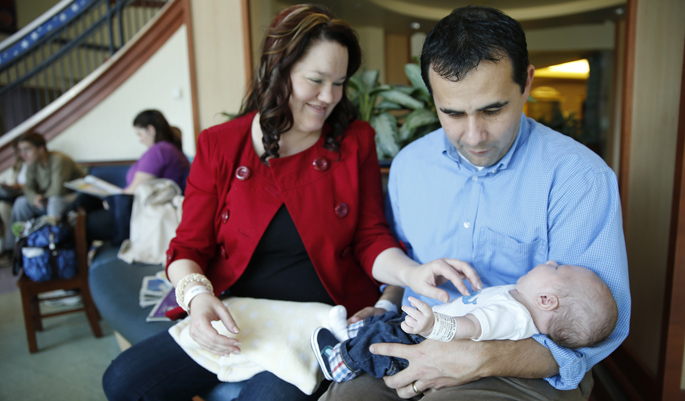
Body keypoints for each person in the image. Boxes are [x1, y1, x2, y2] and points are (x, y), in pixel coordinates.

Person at [101, 5, 449, 401]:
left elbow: (371, 238)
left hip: (320, 322)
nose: (329, 97)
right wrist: (198, 298)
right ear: (278, 70)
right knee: (123, 380)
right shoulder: (220, 144)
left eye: (339, 83)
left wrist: (411, 274)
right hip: (240, 315)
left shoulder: (355, 141)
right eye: (316, 80)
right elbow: (187, 248)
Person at [320, 5, 630, 401]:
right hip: (411, 336)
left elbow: (591, 331)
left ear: (527, 83)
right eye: (452, 113)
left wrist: (480, 358)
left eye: (493, 109)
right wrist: (385, 304)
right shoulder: (409, 165)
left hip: (524, 361)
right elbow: (409, 261)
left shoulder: (580, 178)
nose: (474, 136)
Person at [313, 261, 619, 383]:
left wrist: (432, 326)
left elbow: (471, 326)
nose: (550, 262)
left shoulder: (512, 315)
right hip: (430, 330)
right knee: (387, 322)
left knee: (381, 338)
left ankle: (340, 361)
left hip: (427, 341)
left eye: (557, 269)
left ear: (546, 300)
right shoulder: (519, 301)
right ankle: (348, 333)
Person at [76, 109, 190, 242]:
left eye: (139, 134)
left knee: (82, 221)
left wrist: (111, 201)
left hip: (137, 212)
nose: (140, 140)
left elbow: (134, 191)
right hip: (141, 208)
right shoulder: (171, 149)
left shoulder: (159, 151)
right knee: (84, 201)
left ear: (151, 130)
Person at [6, 132, 85, 251]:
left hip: (72, 198)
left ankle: (54, 246)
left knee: (54, 201)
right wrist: (34, 198)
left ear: (41, 149)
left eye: (27, 149)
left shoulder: (59, 159)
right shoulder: (32, 163)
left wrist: (41, 198)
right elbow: (28, 188)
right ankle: (13, 248)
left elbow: (58, 190)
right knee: (21, 202)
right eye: (21, 150)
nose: (23, 154)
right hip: (48, 199)